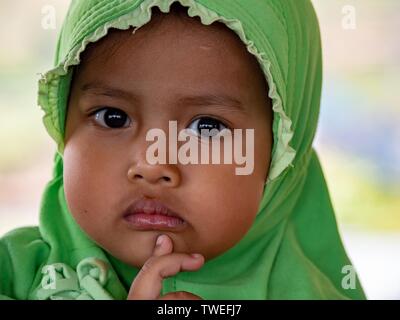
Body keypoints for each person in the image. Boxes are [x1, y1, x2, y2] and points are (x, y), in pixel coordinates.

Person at [0, 0, 365, 300]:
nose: (153, 164)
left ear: (283, 153)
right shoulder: (13, 272)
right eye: (113, 117)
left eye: (206, 127)